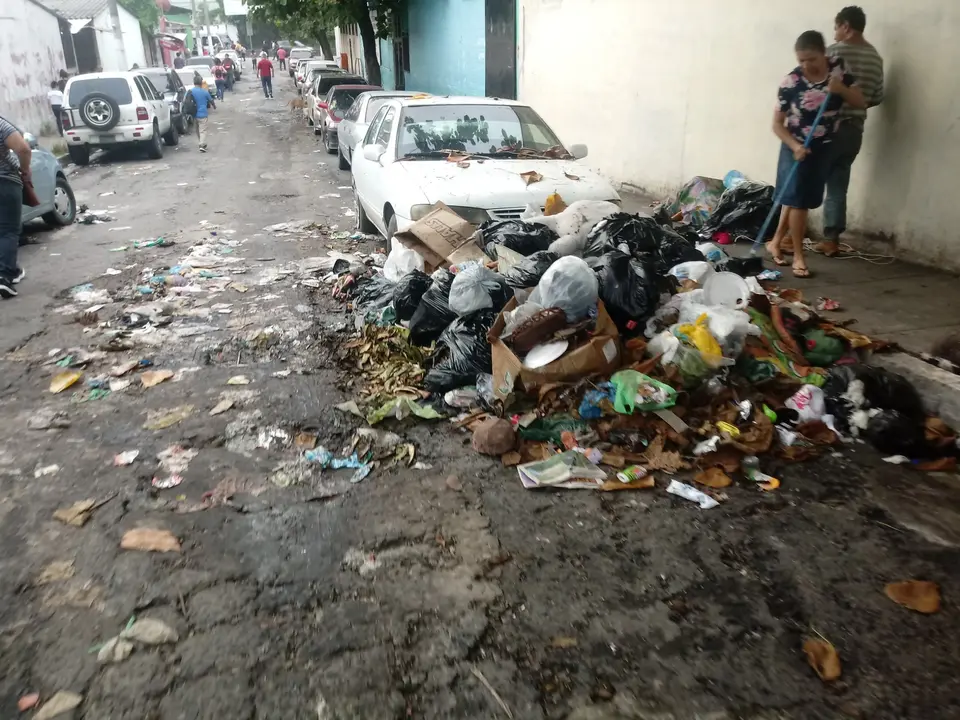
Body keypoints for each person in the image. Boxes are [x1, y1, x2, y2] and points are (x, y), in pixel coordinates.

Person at [765, 30, 865, 279]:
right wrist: (795, 146)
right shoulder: (791, 82)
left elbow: (860, 101)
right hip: (795, 147)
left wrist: (840, 88)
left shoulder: (838, 69)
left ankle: (775, 242)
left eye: (812, 59)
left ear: (824, 53)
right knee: (798, 201)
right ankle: (799, 256)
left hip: (824, 145)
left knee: (803, 198)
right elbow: (777, 124)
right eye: (801, 60)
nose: (807, 65)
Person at [816, 5, 885, 257]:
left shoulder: (833, 54)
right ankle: (832, 240)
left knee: (807, 178)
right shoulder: (876, 58)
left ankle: (790, 235)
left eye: (836, 27)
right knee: (838, 183)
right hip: (854, 131)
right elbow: (876, 97)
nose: (834, 33)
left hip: (828, 128)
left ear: (846, 26)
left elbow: (816, 89)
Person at [0, 115, 31, 298]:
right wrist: (26, 171)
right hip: (4, 182)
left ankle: (12, 269)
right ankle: (4, 277)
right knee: (8, 230)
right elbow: (23, 149)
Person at [187, 75, 215, 153]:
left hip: (194, 114)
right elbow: (211, 100)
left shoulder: (190, 91)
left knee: (197, 130)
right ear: (201, 83)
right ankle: (202, 144)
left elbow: (186, 101)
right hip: (203, 114)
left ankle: (201, 142)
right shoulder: (204, 92)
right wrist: (214, 106)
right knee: (202, 130)